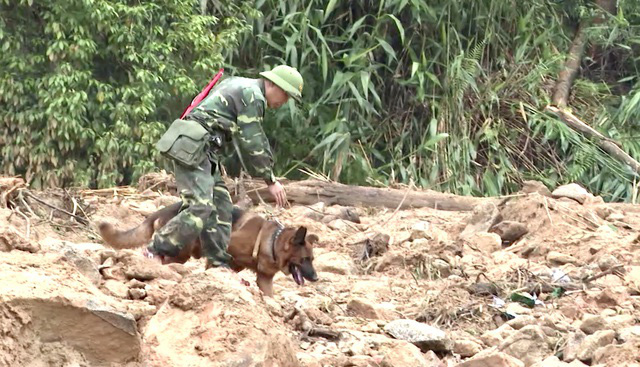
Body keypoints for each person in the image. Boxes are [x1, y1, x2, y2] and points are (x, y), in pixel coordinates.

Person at [148, 65, 304, 268]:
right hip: (194, 147)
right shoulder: (253, 96)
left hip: (203, 150)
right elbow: (253, 143)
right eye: (286, 96)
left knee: (222, 206)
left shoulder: (240, 83)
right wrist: (270, 180)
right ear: (274, 85)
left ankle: (218, 264)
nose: (284, 102)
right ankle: (155, 250)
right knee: (200, 207)